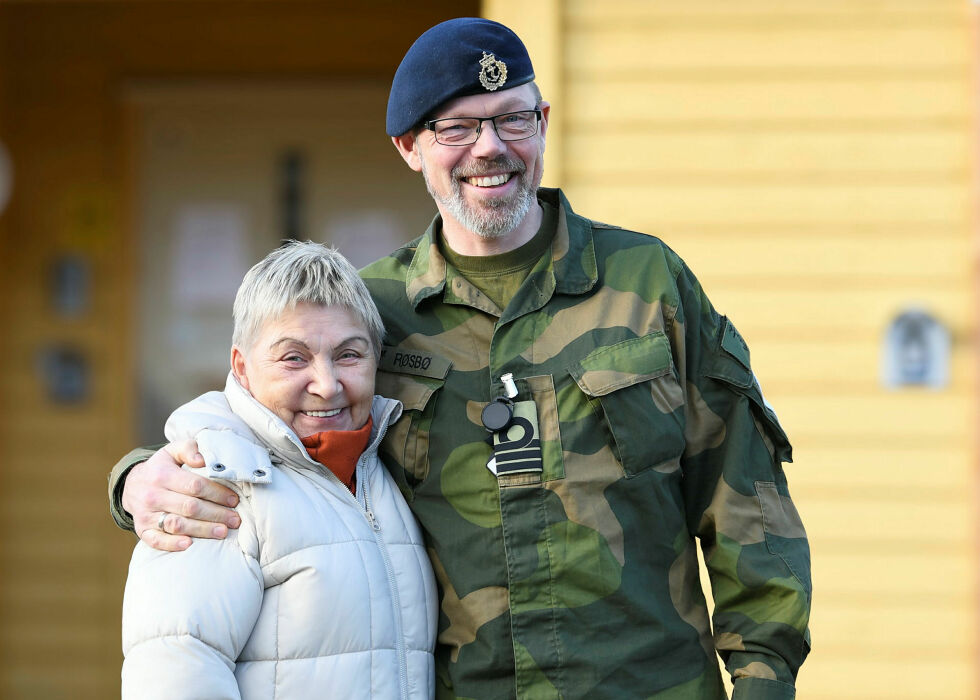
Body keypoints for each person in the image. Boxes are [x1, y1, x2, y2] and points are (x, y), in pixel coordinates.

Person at [109, 18, 811, 700]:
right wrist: (138, 475)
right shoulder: (373, 312)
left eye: (512, 120)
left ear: (542, 121)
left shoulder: (646, 282)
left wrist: (764, 680)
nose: (491, 148)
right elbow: (259, 425)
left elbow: (746, 495)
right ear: (409, 146)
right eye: (458, 128)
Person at [120, 241, 437, 699]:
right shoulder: (210, 487)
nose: (327, 385)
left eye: (349, 354)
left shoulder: (388, 472)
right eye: (294, 358)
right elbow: (175, 673)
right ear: (242, 368)